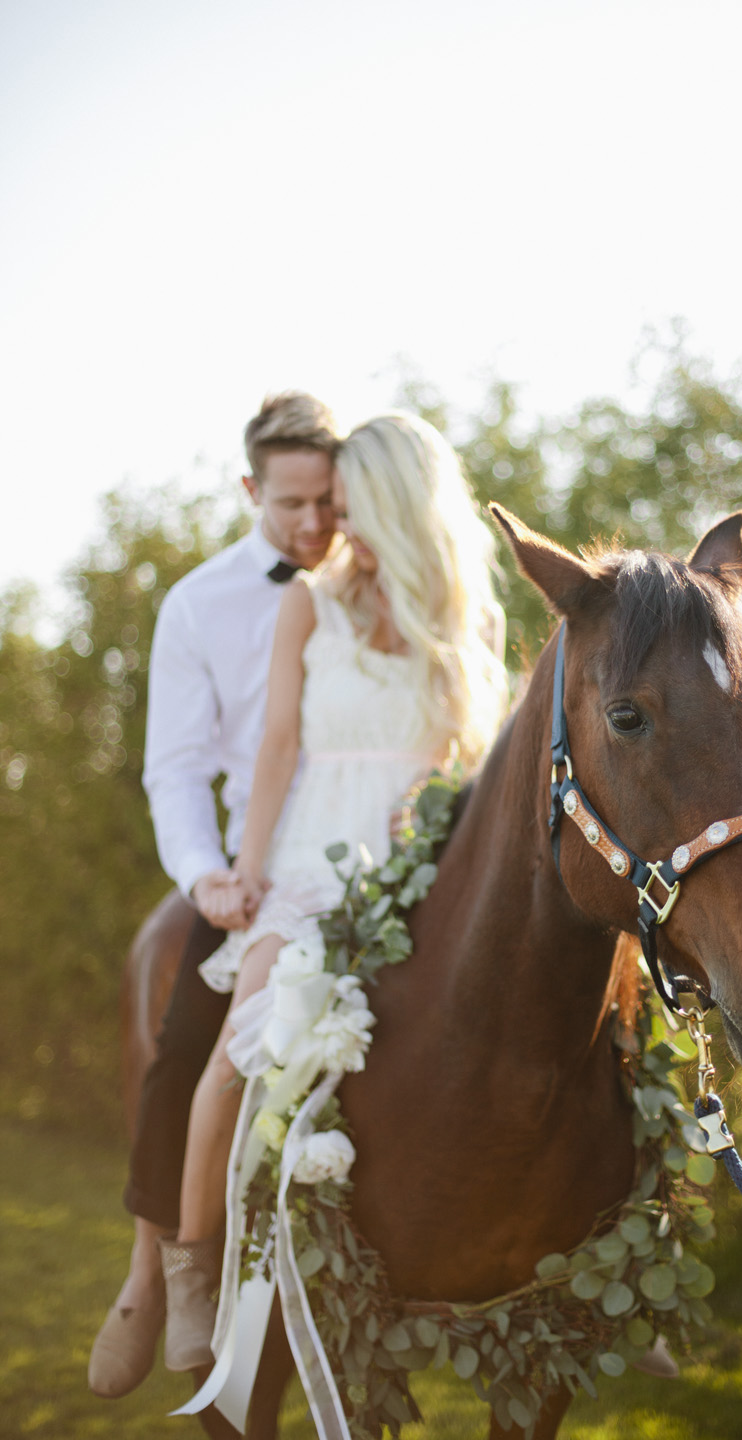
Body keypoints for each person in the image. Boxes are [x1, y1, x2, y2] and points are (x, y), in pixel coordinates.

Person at [158, 412, 508, 1370]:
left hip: (422, 861)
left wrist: (434, 814)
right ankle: (193, 1277)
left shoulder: (472, 614)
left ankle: (580, 1239)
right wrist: (250, 869)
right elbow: (276, 747)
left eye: (351, 509)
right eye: (327, 507)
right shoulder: (311, 602)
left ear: (401, 508)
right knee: (237, 1053)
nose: (335, 528)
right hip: (313, 851)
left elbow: (476, 760)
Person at [88, 392, 340, 1399]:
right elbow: (177, 767)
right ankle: (153, 1271)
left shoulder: (383, 580)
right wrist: (207, 876)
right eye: (291, 506)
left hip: (373, 845)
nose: (315, 527)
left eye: (329, 501)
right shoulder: (198, 604)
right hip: (255, 864)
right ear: (250, 491)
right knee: (187, 1041)